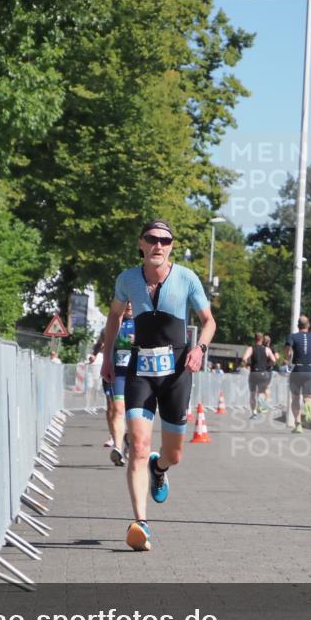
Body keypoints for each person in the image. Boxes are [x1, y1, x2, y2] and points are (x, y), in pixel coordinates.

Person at [101, 219, 215, 552]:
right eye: (152, 239)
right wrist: (109, 357)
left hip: (178, 370)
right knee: (137, 444)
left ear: (171, 247)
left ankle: (159, 467)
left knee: (174, 454)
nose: (158, 245)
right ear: (141, 243)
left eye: (165, 240)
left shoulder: (186, 278)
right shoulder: (128, 279)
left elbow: (209, 322)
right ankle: (141, 523)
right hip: (141, 367)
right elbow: (114, 316)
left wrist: (200, 349)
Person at [90, 302, 135, 465]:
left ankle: (129, 439)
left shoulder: (142, 321)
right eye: (126, 303)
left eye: (132, 303)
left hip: (138, 375)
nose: (129, 306)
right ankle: (117, 448)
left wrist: (137, 341)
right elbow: (101, 342)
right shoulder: (113, 323)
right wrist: (95, 355)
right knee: (117, 409)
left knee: (133, 414)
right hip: (118, 373)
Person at [283, 315, 311, 433]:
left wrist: (286, 356)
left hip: (297, 369)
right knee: (308, 397)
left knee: (295, 398)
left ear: (298, 325)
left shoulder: (293, 336)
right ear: (309, 325)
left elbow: (287, 347)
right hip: (310, 370)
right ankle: (308, 406)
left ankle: (298, 424)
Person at [242, 332, 277, 418]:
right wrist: (268, 365)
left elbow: (244, 358)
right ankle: (261, 400)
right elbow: (274, 360)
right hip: (263, 373)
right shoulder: (266, 349)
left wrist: (245, 364)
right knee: (261, 392)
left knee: (252, 394)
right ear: (262, 340)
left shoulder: (251, 348)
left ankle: (254, 413)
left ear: (255, 339)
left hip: (253, 373)